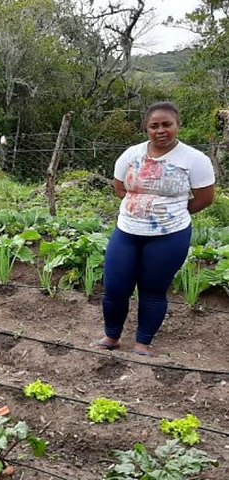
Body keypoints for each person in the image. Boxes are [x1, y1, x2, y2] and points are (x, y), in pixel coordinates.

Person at [93, 101, 215, 356]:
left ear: (177, 125)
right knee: (115, 288)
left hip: (169, 236)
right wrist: (142, 210)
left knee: (153, 290)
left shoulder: (194, 159)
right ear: (147, 129)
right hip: (127, 232)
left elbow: (204, 198)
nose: (161, 130)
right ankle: (111, 336)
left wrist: (171, 213)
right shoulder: (131, 154)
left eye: (167, 124)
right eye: (154, 126)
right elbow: (119, 187)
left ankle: (142, 342)